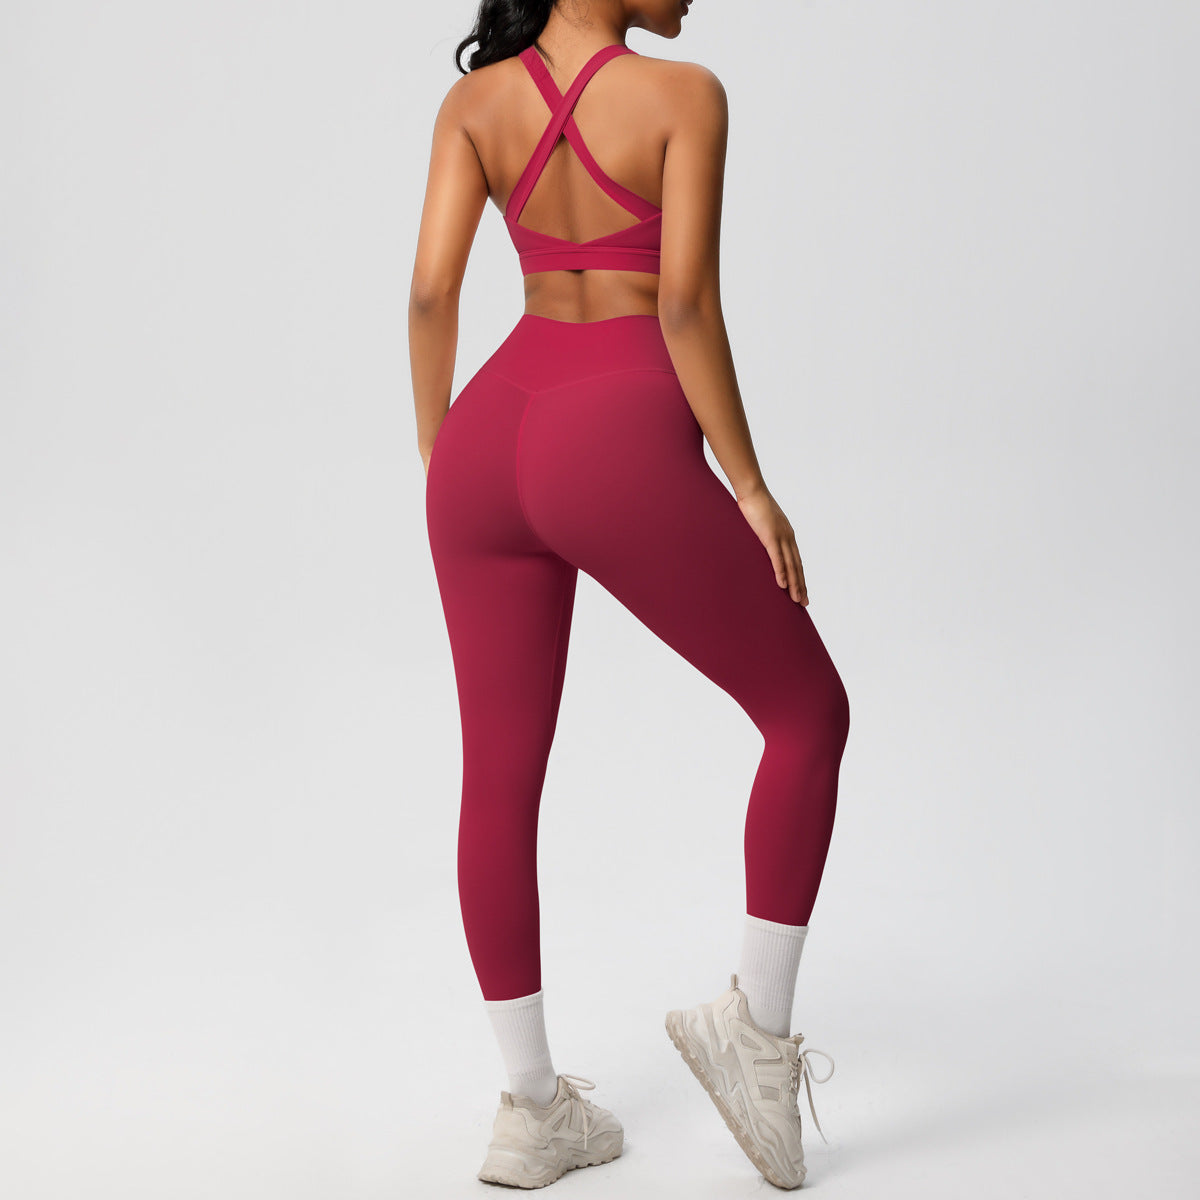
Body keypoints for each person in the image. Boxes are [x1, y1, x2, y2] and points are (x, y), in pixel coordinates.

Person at [409, 0, 850, 1189]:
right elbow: (685, 304)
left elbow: (431, 296)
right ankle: (752, 1037)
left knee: (498, 777)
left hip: (486, 436)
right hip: (609, 435)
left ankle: (530, 1110)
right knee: (809, 715)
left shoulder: (472, 105)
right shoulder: (684, 97)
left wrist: (438, 456)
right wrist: (749, 486)